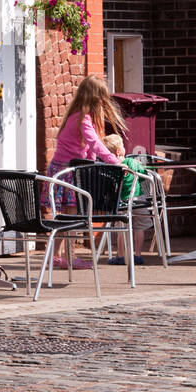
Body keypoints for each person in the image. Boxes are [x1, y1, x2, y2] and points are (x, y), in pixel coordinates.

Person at [41, 75, 127, 271]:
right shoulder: (83, 119)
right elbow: (95, 144)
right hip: (68, 172)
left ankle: (55, 257)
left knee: (64, 218)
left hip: (63, 170)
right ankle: (68, 257)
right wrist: (114, 162)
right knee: (69, 218)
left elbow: (89, 149)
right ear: (95, 98)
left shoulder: (77, 115)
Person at [100, 133, 153, 266]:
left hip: (121, 202)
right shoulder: (131, 162)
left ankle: (120, 256)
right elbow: (144, 175)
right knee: (139, 227)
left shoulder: (109, 167)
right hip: (138, 200)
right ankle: (138, 255)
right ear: (119, 151)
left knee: (121, 229)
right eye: (122, 145)